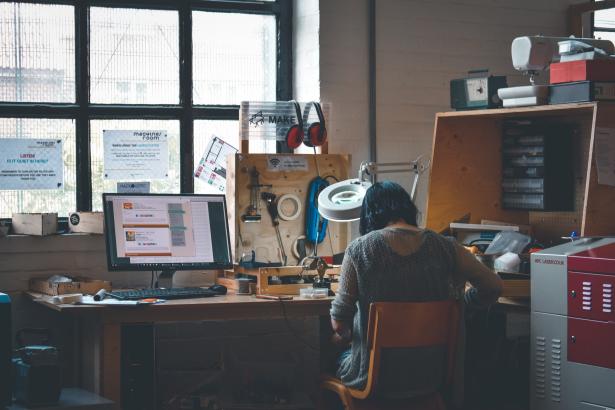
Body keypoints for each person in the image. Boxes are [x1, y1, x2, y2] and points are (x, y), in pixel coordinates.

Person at [329, 181, 503, 402]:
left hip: (374, 378)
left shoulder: (359, 249)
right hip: (430, 375)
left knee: (330, 357)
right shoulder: (447, 247)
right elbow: (494, 286)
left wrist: (343, 335)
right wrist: (460, 305)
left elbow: (339, 322)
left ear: (369, 214)